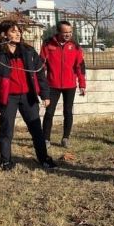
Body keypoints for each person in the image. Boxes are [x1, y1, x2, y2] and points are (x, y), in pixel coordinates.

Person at [0, 20, 57, 171]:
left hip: (28, 96)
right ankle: (6, 161)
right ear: (3, 34)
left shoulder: (28, 51)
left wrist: (45, 94)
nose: (18, 34)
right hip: (7, 98)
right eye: (13, 31)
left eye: (19, 31)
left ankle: (44, 159)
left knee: (36, 129)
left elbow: (39, 73)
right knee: (7, 130)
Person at [41, 20, 87, 148]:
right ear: (58, 32)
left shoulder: (75, 46)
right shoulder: (47, 44)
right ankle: (45, 139)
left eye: (70, 32)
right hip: (52, 85)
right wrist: (41, 85)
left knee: (68, 112)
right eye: (65, 32)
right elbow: (41, 65)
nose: (68, 34)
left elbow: (80, 67)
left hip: (70, 85)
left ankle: (65, 138)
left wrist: (82, 84)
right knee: (49, 112)